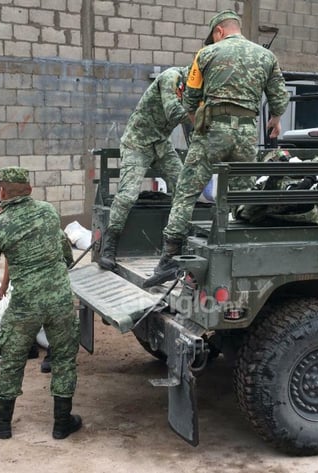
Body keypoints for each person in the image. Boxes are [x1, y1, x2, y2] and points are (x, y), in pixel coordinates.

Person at [144, 10, 290, 287]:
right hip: (247, 134)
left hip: (212, 131)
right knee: (241, 194)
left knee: (186, 192)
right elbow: (279, 98)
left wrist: (197, 115)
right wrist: (276, 121)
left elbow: (189, 98)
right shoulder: (266, 56)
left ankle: (168, 259)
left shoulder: (206, 54)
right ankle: (234, 251)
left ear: (219, 31)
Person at [0, 166, 81, 440]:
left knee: (13, 358)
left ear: (1, 193)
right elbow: (65, 252)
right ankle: (62, 422)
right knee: (63, 358)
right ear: (29, 190)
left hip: (25, 304)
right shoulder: (49, 212)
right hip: (60, 298)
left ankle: (2, 421)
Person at [98, 66, 191, 271]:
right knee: (128, 194)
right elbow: (174, 111)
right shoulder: (172, 77)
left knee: (184, 187)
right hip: (137, 143)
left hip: (160, 143)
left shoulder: (194, 89)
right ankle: (109, 247)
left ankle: (176, 243)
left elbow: (189, 125)